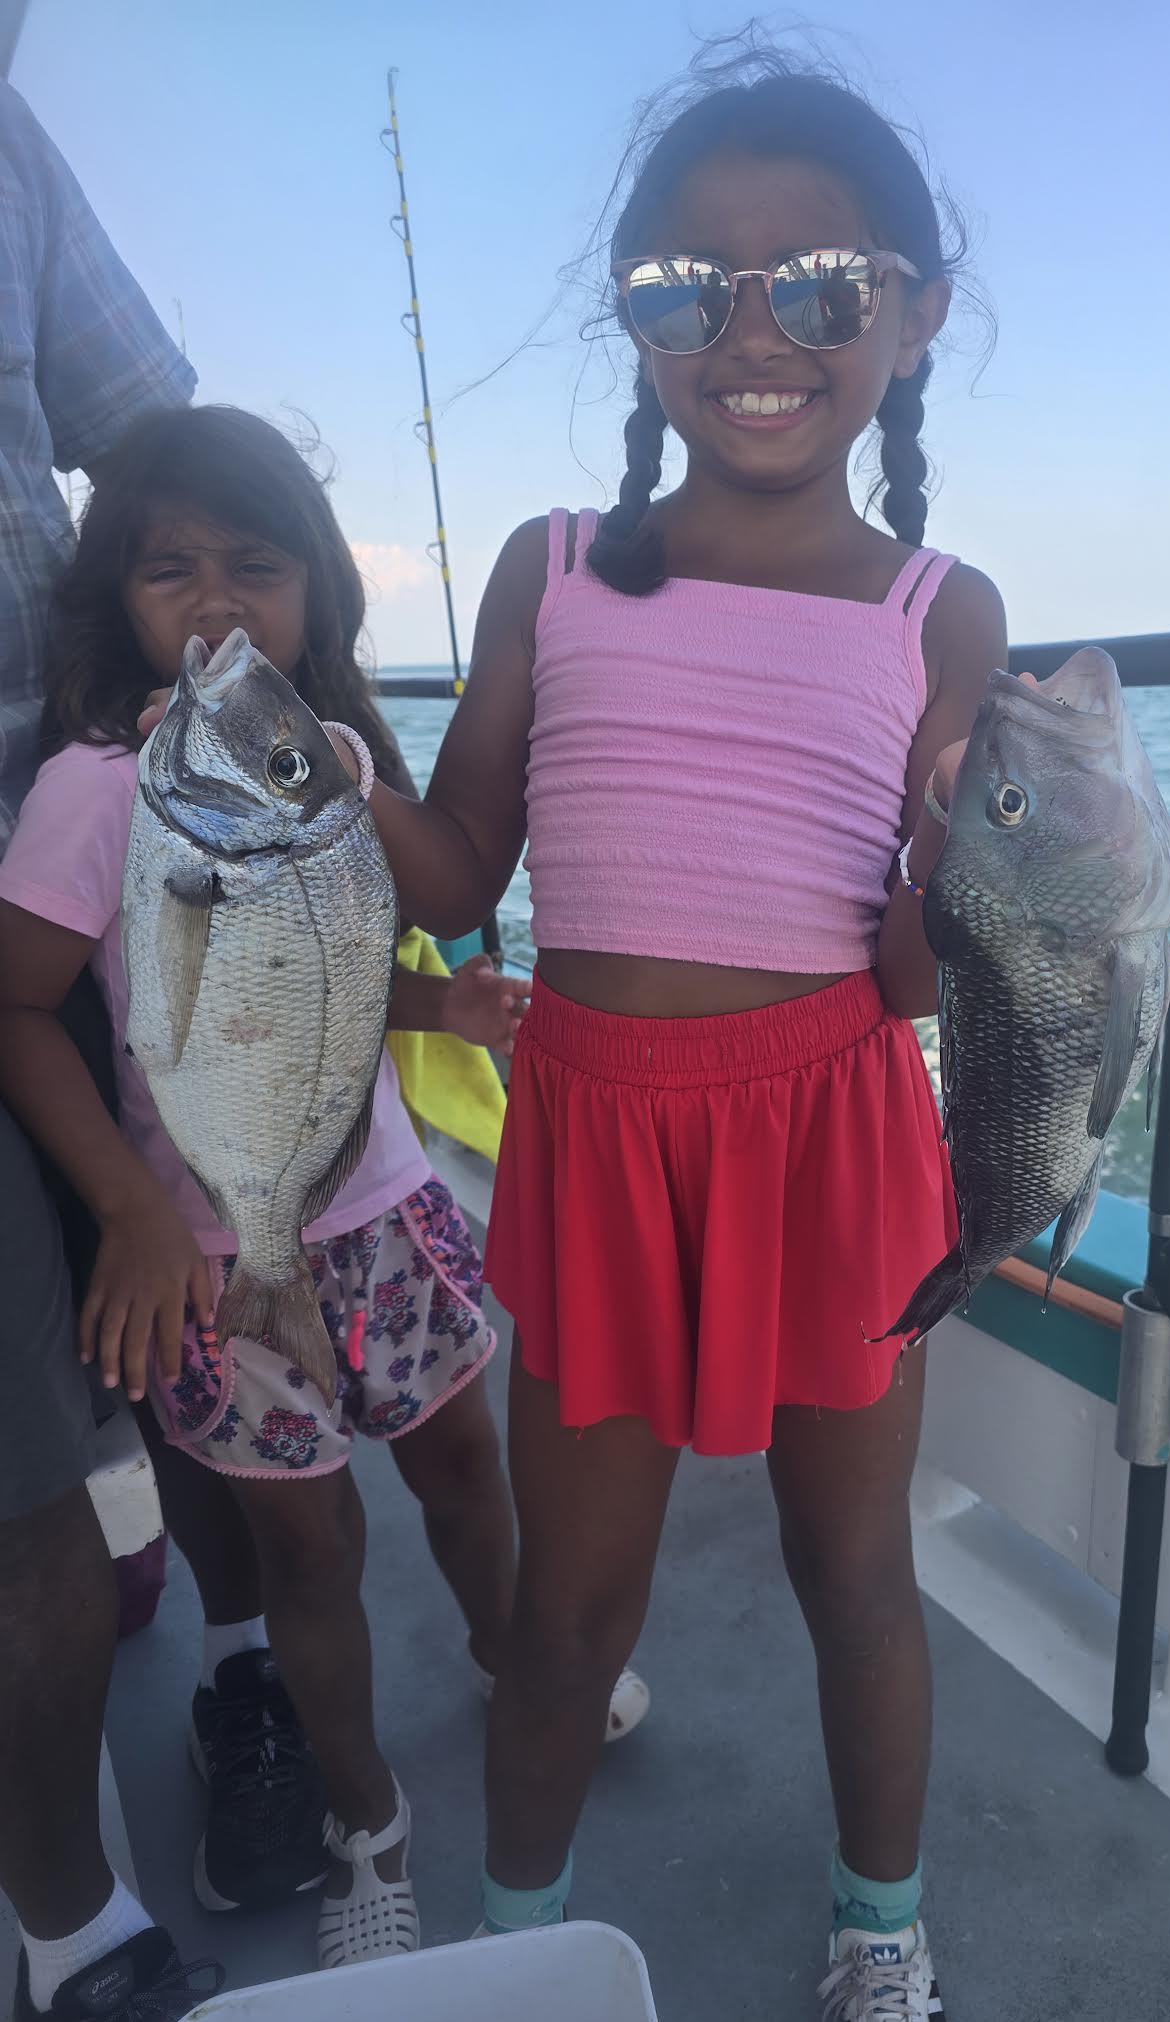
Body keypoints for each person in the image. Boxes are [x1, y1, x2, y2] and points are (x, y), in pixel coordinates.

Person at [327, 50, 1013, 2020]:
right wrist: (334, 766)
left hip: (837, 1132)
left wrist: (967, 872)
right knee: (565, 1606)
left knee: (853, 1574)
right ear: (631, 320)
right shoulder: (550, 566)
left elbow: (908, 979)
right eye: (687, 289)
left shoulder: (943, 610)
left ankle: (879, 1928)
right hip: (601, 1132)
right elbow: (463, 867)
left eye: (821, 285)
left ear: (912, 317)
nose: (754, 334)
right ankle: (512, 1944)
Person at [0, 403, 647, 1976]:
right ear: (113, 594)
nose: (215, 602)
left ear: (317, 591)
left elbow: (349, 951)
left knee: (469, 1470)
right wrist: (133, 1208)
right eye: (169, 570)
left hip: (392, 1215)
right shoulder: (95, 790)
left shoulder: (332, 760)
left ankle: (509, 1652)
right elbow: (17, 1003)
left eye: (257, 565)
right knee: (308, 1551)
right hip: (223, 1256)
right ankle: (367, 1816)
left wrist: (438, 997)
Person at [0, 78, 226, 2022]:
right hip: (50, 896)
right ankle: (66, 1907)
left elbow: (145, 423)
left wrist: (220, 647)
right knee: (31, 1462)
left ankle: (215, 1623)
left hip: (62, 824)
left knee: (141, 1315)